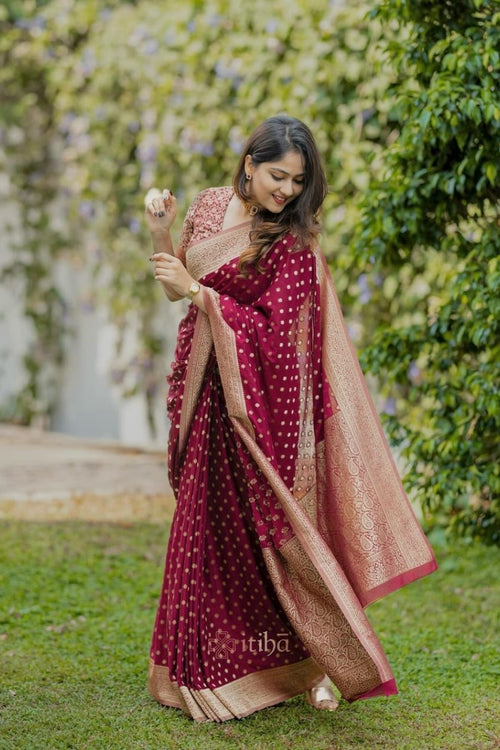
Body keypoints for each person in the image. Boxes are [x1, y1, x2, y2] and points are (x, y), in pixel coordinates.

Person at [144, 115, 436, 723]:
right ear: (249, 163)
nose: (286, 191)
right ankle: (209, 665)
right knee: (210, 539)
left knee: (275, 543)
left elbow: (283, 342)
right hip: (207, 398)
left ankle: (316, 662)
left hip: (255, 412)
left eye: (298, 182)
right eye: (278, 175)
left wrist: (204, 298)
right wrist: (161, 230)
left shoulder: (292, 243)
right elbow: (177, 285)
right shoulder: (208, 205)